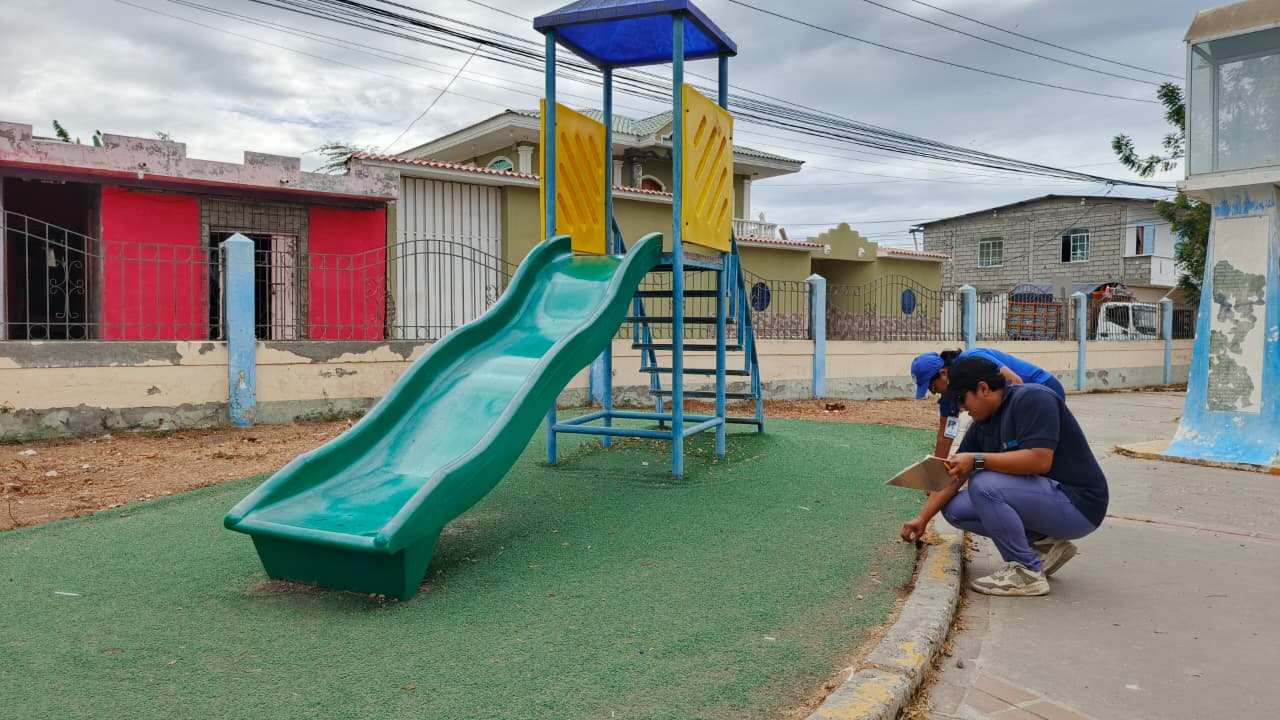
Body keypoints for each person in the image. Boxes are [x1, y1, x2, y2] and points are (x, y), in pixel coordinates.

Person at [899, 356, 1108, 597]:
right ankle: (1044, 544)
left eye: (962, 399)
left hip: (1080, 504)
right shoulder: (981, 424)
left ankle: (1026, 572)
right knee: (955, 509)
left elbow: (1040, 460)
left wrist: (978, 460)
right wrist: (923, 518)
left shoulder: (1034, 399)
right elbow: (955, 475)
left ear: (983, 389)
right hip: (1048, 500)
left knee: (983, 484)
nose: (961, 407)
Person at [911, 348, 1066, 457]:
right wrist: (935, 474)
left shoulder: (973, 360)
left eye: (932, 387)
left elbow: (1015, 382)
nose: (961, 407)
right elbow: (946, 433)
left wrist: (978, 463)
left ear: (943, 373)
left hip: (1041, 388)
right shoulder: (950, 398)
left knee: (1031, 449)